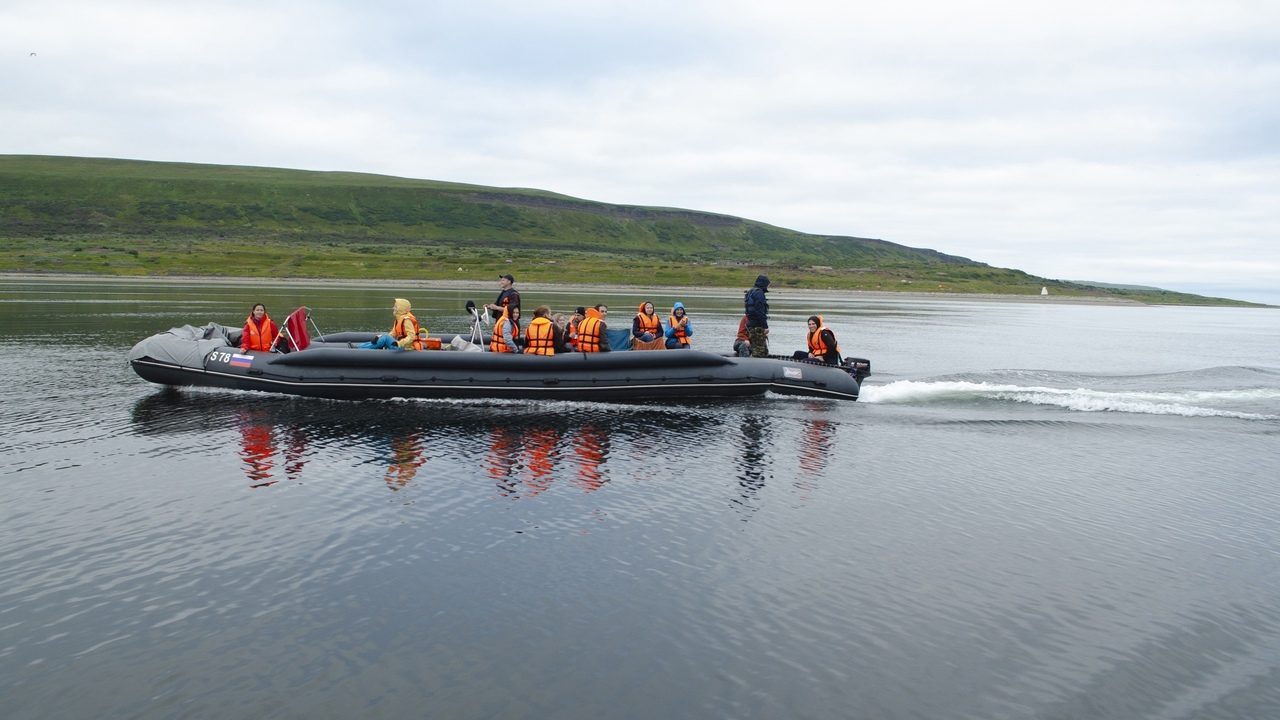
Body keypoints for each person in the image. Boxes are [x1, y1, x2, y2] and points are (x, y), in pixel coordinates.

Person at [357, 298, 423, 350]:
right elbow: (392, 334)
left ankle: (359, 348)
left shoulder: (407, 320)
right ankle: (359, 347)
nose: (393, 308)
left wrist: (399, 343)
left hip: (407, 348)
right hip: (402, 346)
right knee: (382, 338)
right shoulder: (398, 320)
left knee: (385, 337)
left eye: (395, 307)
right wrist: (379, 338)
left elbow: (411, 336)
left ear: (401, 308)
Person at [744, 275, 770, 358]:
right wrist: (765, 326)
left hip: (751, 324)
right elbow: (759, 310)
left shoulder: (751, 292)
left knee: (763, 349)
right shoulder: (759, 293)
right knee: (759, 349)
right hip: (756, 325)